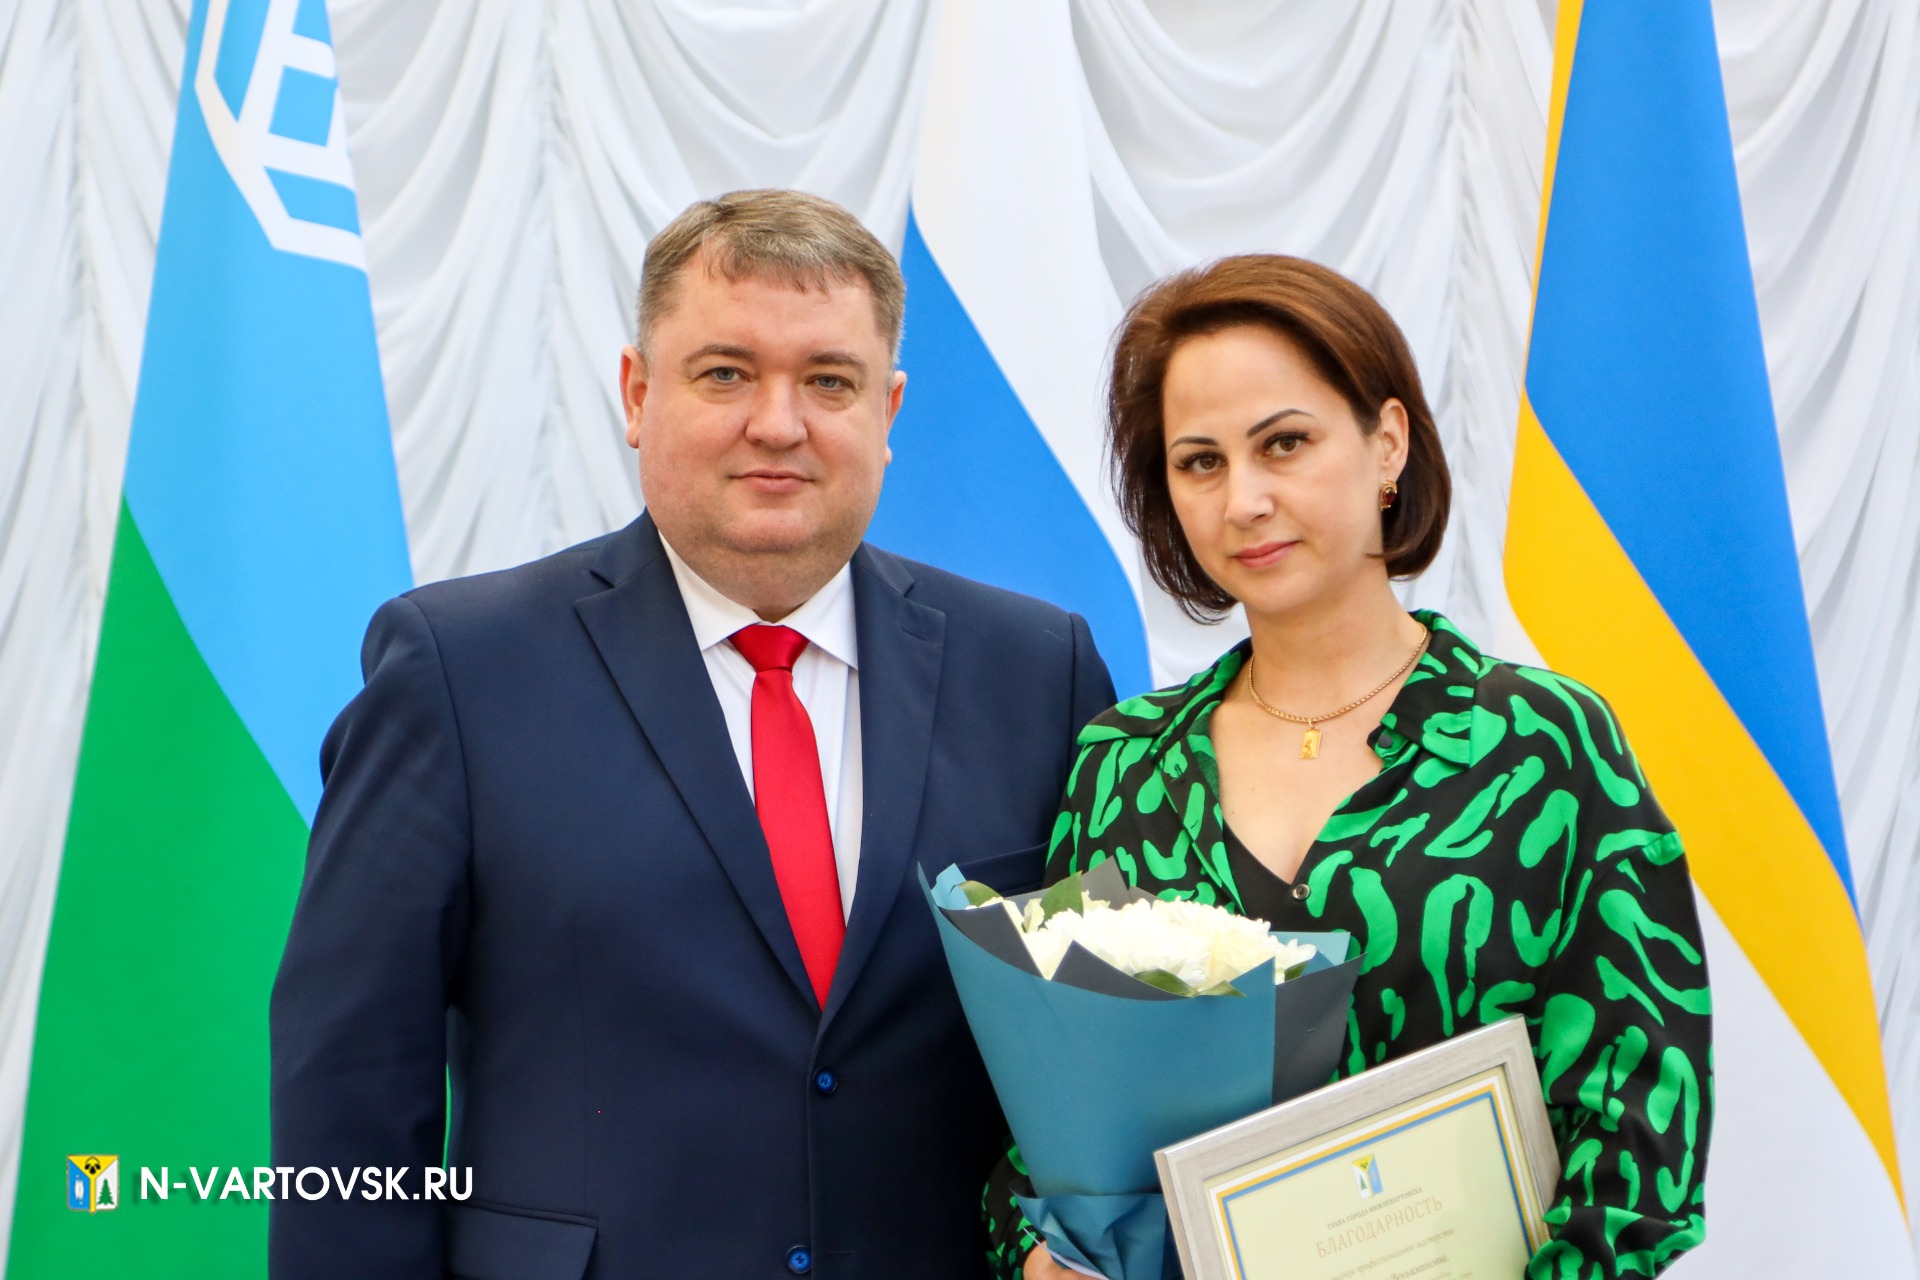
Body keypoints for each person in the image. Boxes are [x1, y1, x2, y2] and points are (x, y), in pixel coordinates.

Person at [269, 189, 1115, 1279]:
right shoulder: (457, 670)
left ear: (889, 410)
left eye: (830, 381)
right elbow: (350, 1085)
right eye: (726, 373)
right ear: (637, 393)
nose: (779, 423)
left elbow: (1088, 1063)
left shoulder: (1037, 672)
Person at [992, 255, 1712, 1280]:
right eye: (1200, 462)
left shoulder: (1547, 741)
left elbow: (1640, 1121)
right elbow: (1047, 1113)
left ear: (1388, 443)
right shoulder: (1122, 762)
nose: (1244, 499)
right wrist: (1038, 1252)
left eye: (1283, 443)